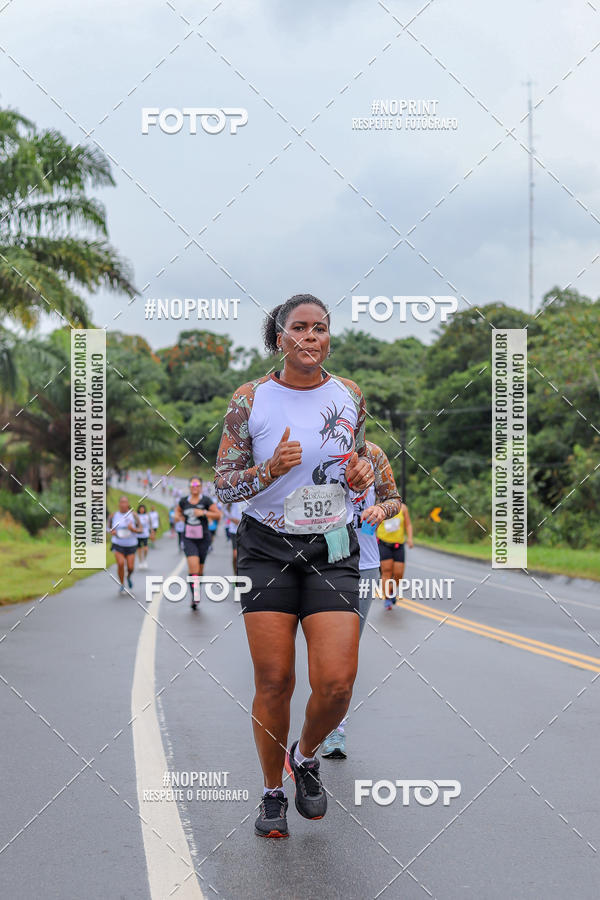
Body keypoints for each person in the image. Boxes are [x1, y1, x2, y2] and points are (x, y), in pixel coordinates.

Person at [214, 293, 400, 840]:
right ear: (279, 339)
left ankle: (306, 754)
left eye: (320, 329)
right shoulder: (251, 400)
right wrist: (268, 469)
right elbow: (225, 487)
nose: (310, 337)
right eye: (299, 328)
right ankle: (272, 795)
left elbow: (361, 467)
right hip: (267, 548)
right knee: (275, 679)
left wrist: (364, 480)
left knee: (337, 684)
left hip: (332, 548)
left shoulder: (349, 396)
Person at [321, 440, 402, 759]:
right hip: (321, 563)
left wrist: (381, 509)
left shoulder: (375, 454)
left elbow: (394, 499)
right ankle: (318, 720)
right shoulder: (320, 449)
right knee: (324, 650)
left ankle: (333, 729)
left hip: (364, 568)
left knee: (345, 651)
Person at [174, 477, 221, 610]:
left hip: (203, 539)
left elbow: (218, 515)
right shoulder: (183, 501)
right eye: (193, 485)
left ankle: (197, 590)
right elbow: (177, 512)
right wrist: (177, 517)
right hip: (189, 538)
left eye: (197, 485)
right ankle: (195, 596)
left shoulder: (206, 501)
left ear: (200, 487)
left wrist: (204, 512)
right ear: (189, 487)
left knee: (200, 570)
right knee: (193, 567)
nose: (195, 487)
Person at [377, 501, 414, 610]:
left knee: (398, 574)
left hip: (398, 545)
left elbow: (408, 524)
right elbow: (373, 525)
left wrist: (410, 538)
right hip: (384, 544)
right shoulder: (380, 508)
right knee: (387, 572)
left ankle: (391, 589)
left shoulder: (403, 508)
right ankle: (387, 598)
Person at [107, 496, 141, 593]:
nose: (123, 504)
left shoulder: (133, 515)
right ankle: (122, 584)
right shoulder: (113, 516)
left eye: (125, 502)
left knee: (130, 567)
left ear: (128, 504)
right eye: (121, 502)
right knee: (121, 563)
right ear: (119, 504)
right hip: (118, 544)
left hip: (131, 544)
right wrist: (111, 532)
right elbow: (108, 528)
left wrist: (133, 529)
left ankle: (128, 576)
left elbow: (141, 529)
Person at [225, 501, 246, 573]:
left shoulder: (248, 498)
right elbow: (225, 510)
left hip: (246, 530)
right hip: (234, 531)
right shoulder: (233, 498)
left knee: (244, 555)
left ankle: (243, 574)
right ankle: (235, 574)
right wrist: (232, 519)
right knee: (235, 556)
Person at [136, 504, 151, 569]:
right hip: (138, 534)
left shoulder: (147, 516)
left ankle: (144, 559)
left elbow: (150, 524)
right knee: (139, 549)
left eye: (143, 508)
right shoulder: (136, 516)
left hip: (145, 534)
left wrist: (151, 532)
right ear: (139, 509)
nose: (142, 510)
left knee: (146, 548)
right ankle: (140, 561)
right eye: (140, 509)